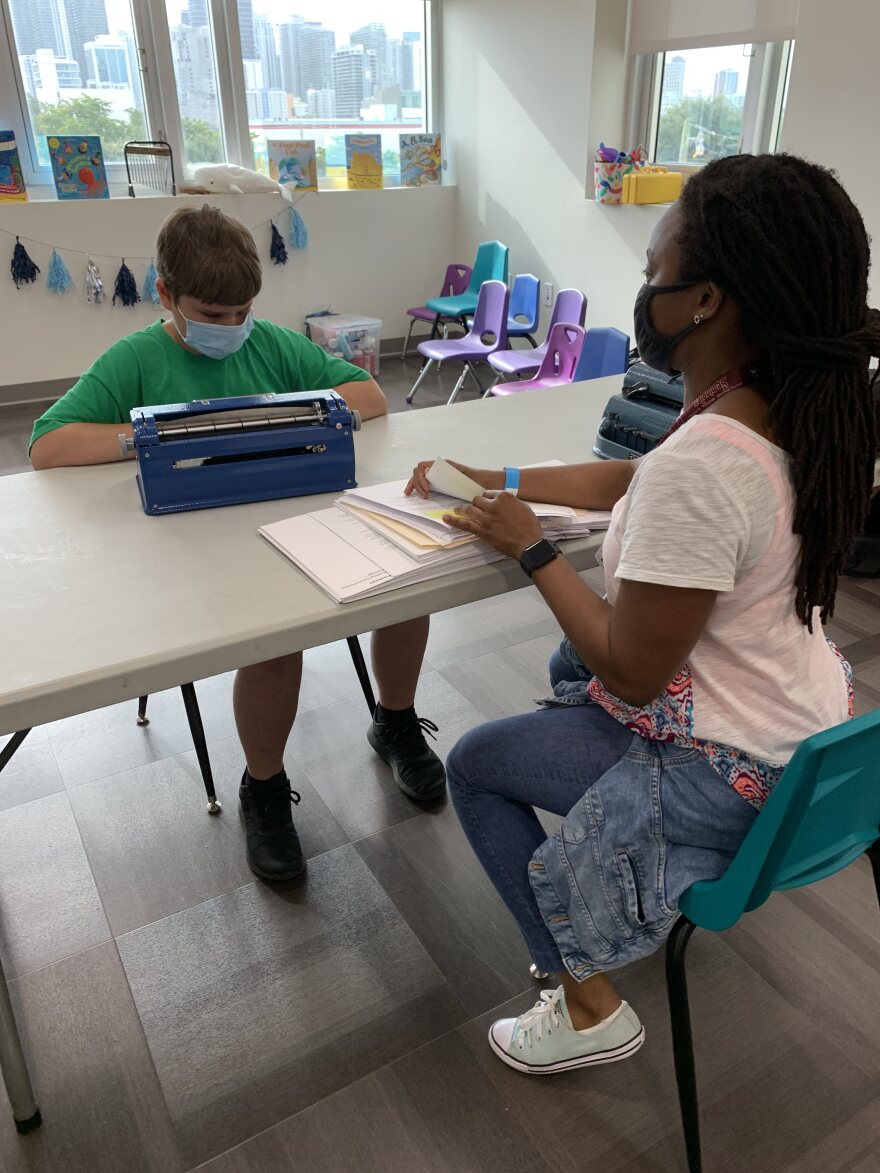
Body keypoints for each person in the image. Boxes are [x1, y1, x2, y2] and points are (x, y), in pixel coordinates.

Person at [406, 153, 879, 1074]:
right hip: (810, 721)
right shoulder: (779, 405)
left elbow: (632, 670)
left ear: (705, 300)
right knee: (563, 675)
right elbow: (633, 476)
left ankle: (586, 1004)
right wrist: (499, 480)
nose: (644, 286)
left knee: (476, 762)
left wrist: (530, 546)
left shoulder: (705, 463)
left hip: (733, 763)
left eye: (654, 270)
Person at [30, 204, 446, 884]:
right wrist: (145, 434)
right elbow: (48, 444)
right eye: (211, 314)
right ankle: (264, 785)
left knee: (404, 582)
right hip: (196, 553)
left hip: (289, 518)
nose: (230, 329)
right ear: (165, 296)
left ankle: (394, 720)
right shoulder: (138, 357)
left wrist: (294, 411)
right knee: (275, 641)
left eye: (240, 313)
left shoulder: (271, 343)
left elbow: (368, 395)